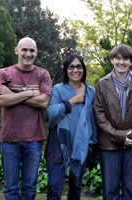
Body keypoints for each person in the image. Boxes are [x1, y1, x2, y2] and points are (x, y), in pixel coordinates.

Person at [0, 37, 52, 200]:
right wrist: (30, 93)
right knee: (11, 188)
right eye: (24, 49)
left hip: (34, 139)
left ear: (36, 52)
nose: (28, 53)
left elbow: (44, 102)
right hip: (9, 139)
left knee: (29, 187)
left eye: (32, 50)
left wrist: (11, 94)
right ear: (16, 50)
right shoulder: (3, 73)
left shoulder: (43, 74)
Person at [94, 44, 132, 200]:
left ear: (131, 61)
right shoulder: (102, 84)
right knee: (110, 190)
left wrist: (131, 134)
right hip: (109, 144)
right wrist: (117, 135)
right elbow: (99, 114)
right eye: (118, 58)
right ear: (112, 60)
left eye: (126, 59)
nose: (122, 62)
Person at [44, 54, 97, 200]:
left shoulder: (91, 92)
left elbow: (94, 120)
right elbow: (52, 114)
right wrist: (72, 101)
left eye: (79, 66)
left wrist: (92, 146)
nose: (75, 70)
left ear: (83, 69)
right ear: (66, 70)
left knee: (76, 187)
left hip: (81, 145)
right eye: (71, 67)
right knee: (54, 186)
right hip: (60, 143)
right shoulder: (58, 89)